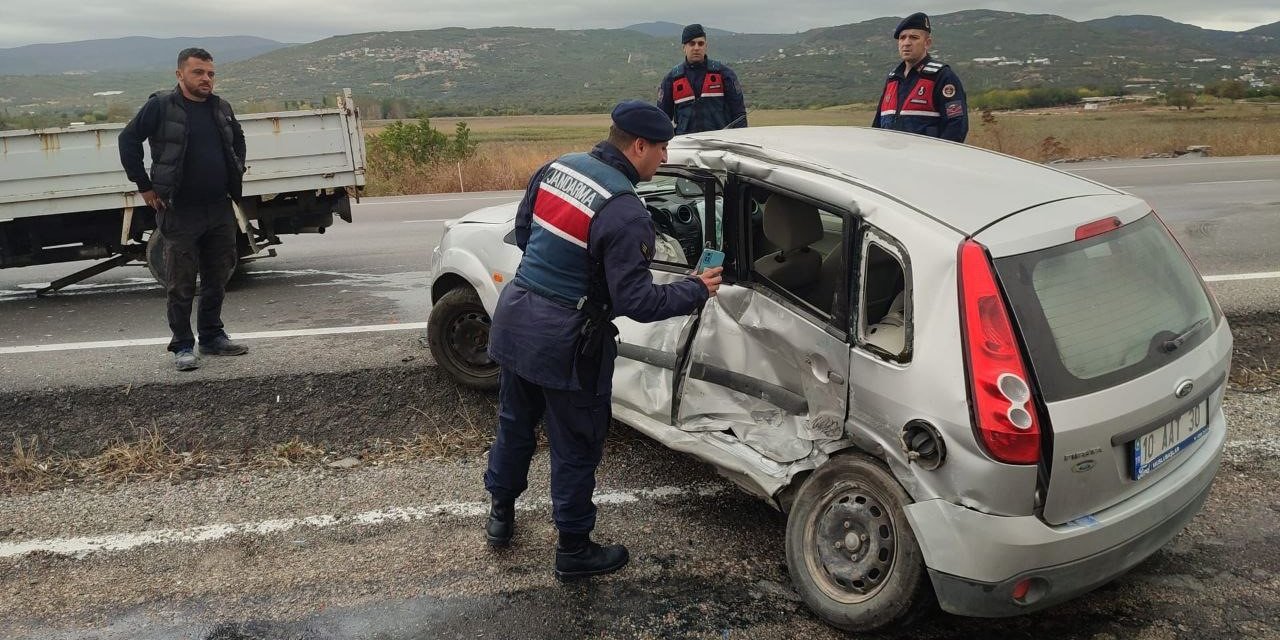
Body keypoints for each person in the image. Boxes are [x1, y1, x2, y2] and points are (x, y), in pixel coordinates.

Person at [482, 100, 723, 581]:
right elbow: (637, 302)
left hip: (517, 318)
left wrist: (564, 277)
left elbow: (526, 233)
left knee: (515, 425)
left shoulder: (556, 168)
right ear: (638, 146)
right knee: (576, 446)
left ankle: (500, 519)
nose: (664, 156)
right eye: (661, 147)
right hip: (568, 343)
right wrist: (697, 288)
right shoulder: (627, 212)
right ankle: (573, 550)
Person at [119, 48, 249, 371]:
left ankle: (211, 337)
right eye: (198, 73)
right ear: (180, 75)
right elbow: (128, 140)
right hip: (179, 210)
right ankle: (182, 346)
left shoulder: (221, 107)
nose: (206, 79)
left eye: (210, 73)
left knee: (217, 277)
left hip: (219, 208)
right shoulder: (160, 106)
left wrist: (236, 170)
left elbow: (239, 140)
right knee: (181, 282)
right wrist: (145, 187)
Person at [871, 12, 969, 143]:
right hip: (891, 159)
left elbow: (956, 126)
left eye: (914, 37)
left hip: (925, 160)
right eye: (902, 38)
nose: (906, 43)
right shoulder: (892, 79)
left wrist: (937, 158)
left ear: (927, 43)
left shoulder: (941, 76)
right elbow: (877, 124)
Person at [657, 24, 748, 134]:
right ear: (684, 47)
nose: (696, 48)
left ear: (706, 46)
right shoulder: (671, 79)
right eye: (691, 43)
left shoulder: (724, 74)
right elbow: (661, 119)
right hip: (685, 145)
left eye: (700, 43)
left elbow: (739, 115)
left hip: (720, 144)